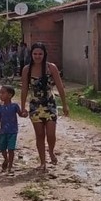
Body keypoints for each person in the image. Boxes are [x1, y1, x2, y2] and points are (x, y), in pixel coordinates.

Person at [19, 42, 69, 172]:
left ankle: (51, 151)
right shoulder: (26, 69)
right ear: (31, 54)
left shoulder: (51, 68)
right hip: (35, 106)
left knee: (51, 134)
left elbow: (60, 87)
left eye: (40, 53)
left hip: (50, 104)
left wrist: (64, 105)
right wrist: (22, 107)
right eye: (35, 53)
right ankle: (42, 162)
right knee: (40, 135)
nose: (37, 56)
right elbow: (24, 89)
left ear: (44, 54)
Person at [0, 85, 22, 175]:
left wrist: (25, 114)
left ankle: (10, 166)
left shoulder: (14, 106)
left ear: (10, 95)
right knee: (2, 149)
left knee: (11, 149)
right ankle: (6, 160)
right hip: (3, 131)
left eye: (3, 93)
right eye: (0, 93)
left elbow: (20, 114)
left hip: (13, 131)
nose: (1, 95)